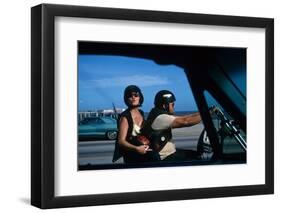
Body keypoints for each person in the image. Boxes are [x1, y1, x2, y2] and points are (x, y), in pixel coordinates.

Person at [141, 90, 203, 162]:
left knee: (194, 154)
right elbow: (186, 121)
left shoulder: (157, 114)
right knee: (197, 159)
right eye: (172, 104)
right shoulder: (161, 118)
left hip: (169, 153)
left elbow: (184, 118)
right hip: (165, 157)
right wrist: (206, 115)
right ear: (165, 105)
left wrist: (204, 112)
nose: (174, 106)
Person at [113, 85, 160, 163]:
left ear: (140, 97)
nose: (133, 98)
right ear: (126, 99)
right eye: (130, 96)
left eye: (136, 95)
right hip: (133, 156)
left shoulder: (141, 113)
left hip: (146, 153)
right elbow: (121, 141)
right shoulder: (125, 117)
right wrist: (136, 148)